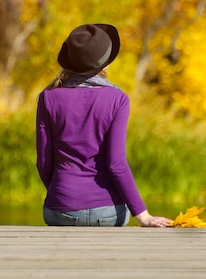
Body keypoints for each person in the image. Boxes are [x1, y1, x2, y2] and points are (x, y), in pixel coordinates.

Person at [36, 23, 172, 227]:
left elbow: (44, 162)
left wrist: (62, 196)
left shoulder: (48, 97)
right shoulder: (118, 99)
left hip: (60, 211)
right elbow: (116, 164)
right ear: (105, 64)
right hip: (108, 213)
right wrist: (144, 216)